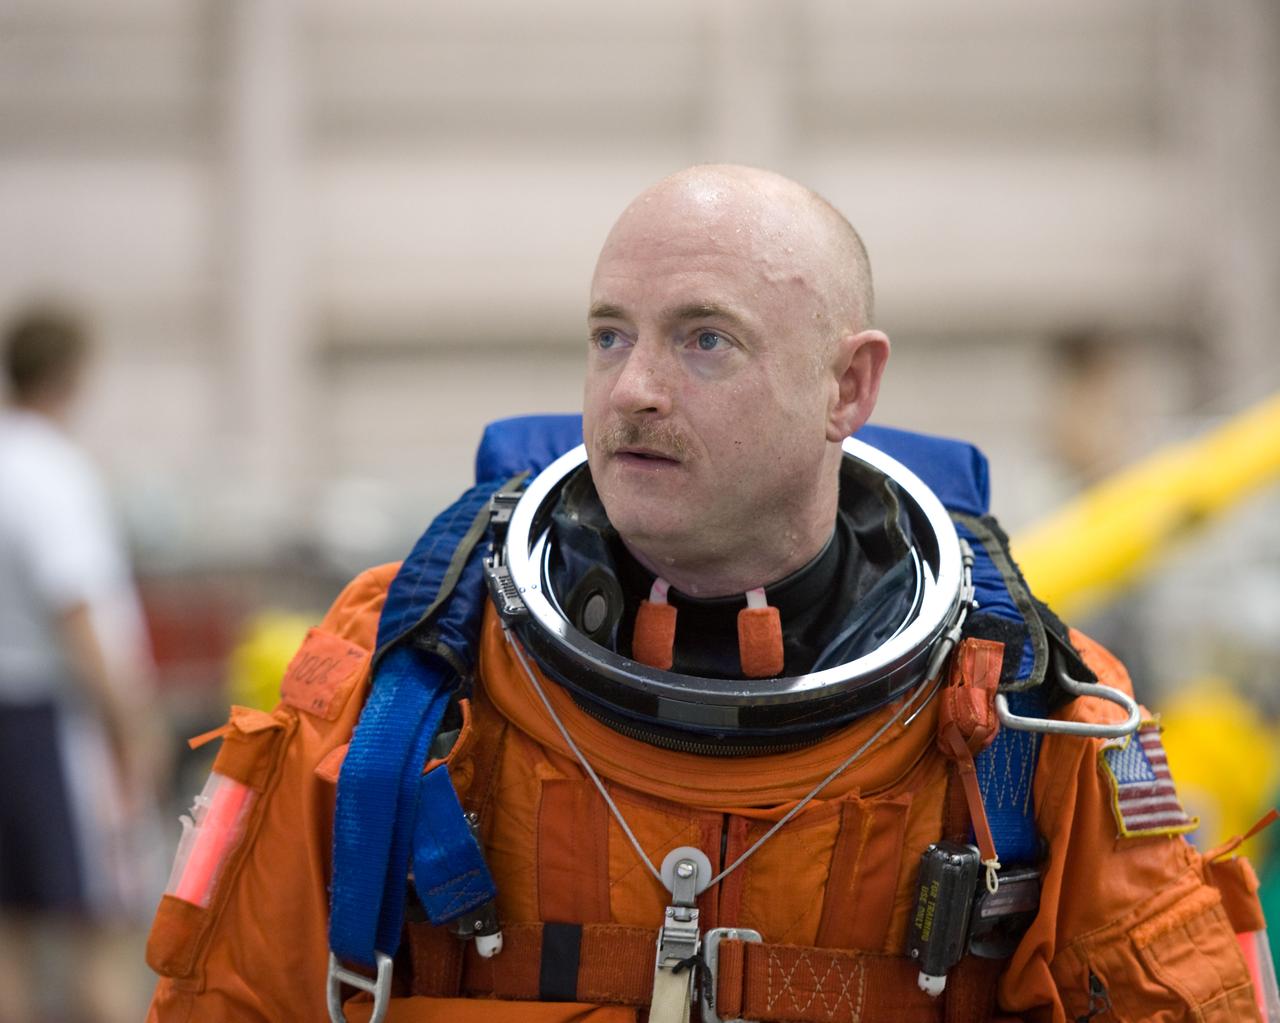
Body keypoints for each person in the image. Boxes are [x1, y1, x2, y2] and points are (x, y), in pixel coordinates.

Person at [145, 167, 1272, 1022]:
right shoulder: (405, 678)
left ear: (848, 384)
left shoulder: (1027, 718)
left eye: (704, 341)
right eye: (607, 335)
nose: (630, 390)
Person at [1, 306, 166, 1022]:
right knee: (102, 931)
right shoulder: (50, 472)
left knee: (10, 933)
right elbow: (77, 608)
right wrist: (133, 723)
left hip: (13, 710)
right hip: (53, 721)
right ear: (73, 375)